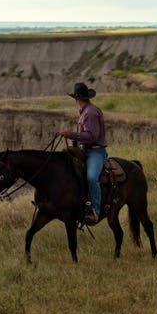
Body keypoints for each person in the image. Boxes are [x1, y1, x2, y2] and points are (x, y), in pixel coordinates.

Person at [57, 82, 107, 225]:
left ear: (77, 98)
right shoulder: (85, 111)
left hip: (95, 151)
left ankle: (95, 210)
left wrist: (71, 134)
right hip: (86, 150)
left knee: (91, 177)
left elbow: (92, 136)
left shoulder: (90, 112)